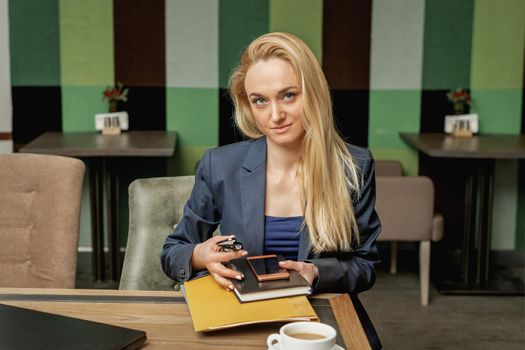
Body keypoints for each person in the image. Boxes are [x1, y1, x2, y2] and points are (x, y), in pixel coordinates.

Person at [161, 32, 381, 349]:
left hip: (322, 323)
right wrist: (199, 255)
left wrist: (316, 273)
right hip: (244, 320)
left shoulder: (355, 165)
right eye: (260, 100)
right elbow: (173, 252)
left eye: (288, 95)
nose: (274, 115)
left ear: (313, 93)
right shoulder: (220, 165)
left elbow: (366, 266)